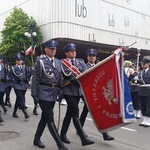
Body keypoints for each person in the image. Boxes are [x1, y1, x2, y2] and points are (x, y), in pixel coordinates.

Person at [33, 40, 68, 150]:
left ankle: (36, 139)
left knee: (44, 118)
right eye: (51, 48)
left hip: (53, 94)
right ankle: (60, 145)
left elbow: (59, 78)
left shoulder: (58, 62)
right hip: (43, 93)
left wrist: (60, 91)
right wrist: (34, 94)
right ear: (46, 49)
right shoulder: (41, 61)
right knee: (50, 118)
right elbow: (36, 79)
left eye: (54, 49)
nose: (53, 50)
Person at [60, 43, 94, 146]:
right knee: (75, 111)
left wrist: (78, 79)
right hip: (68, 91)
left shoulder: (80, 62)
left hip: (78, 91)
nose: (73, 52)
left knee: (69, 114)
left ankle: (62, 134)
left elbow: (85, 73)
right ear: (66, 53)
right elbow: (63, 76)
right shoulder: (63, 63)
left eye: (74, 50)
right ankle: (83, 137)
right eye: (71, 51)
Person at [79, 48, 115, 141]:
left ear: (95, 57)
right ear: (87, 57)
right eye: (90, 56)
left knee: (97, 111)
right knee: (87, 111)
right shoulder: (84, 66)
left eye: (93, 56)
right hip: (87, 93)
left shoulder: (99, 67)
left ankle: (104, 134)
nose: (92, 57)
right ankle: (81, 130)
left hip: (96, 93)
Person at [10, 54, 29, 119]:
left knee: (18, 99)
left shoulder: (25, 68)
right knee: (21, 99)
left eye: (20, 60)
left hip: (24, 85)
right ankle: (25, 113)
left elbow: (27, 75)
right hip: (17, 85)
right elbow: (10, 77)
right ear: (16, 61)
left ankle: (14, 112)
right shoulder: (13, 68)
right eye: (18, 60)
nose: (19, 61)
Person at [138, 58, 150, 127]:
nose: (143, 65)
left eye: (144, 64)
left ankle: (148, 120)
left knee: (147, 105)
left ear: (148, 64)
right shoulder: (141, 72)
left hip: (148, 90)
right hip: (141, 90)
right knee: (143, 106)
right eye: (142, 64)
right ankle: (144, 120)